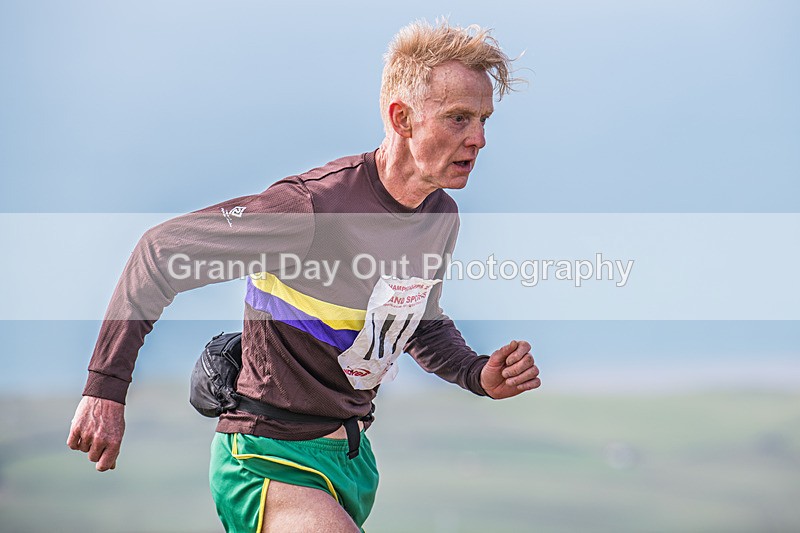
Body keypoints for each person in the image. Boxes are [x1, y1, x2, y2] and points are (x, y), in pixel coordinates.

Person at [67, 19, 541, 532]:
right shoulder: (311, 207)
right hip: (266, 456)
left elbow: (416, 323)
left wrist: (476, 373)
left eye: (484, 120)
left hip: (352, 463)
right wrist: (104, 390)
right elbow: (159, 252)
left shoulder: (438, 216)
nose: (480, 138)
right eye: (459, 118)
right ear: (401, 118)